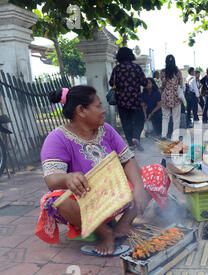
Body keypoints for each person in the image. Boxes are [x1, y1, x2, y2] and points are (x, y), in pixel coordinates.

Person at [38, 86, 172, 256]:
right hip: (86, 204)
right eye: (98, 106)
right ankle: (105, 232)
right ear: (81, 110)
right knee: (53, 201)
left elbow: (128, 160)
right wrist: (67, 178)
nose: (103, 111)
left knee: (158, 172)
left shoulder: (106, 129)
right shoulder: (57, 138)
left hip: (117, 195)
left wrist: (138, 187)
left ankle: (123, 225)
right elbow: (51, 179)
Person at [109, 47, 147, 152]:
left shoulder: (117, 69)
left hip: (122, 101)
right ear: (131, 55)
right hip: (135, 100)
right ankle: (136, 137)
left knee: (126, 122)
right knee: (139, 120)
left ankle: (130, 144)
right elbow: (144, 82)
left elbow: (111, 82)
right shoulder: (136, 67)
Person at [160, 55, 183, 140]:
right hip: (176, 97)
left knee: (165, 117)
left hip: (166, 97)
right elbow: (181, 85)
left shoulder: (162, 72)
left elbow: (161, 86)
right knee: (176, 118)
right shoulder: (177, 72)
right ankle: (175, 137)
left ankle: (163, 135)